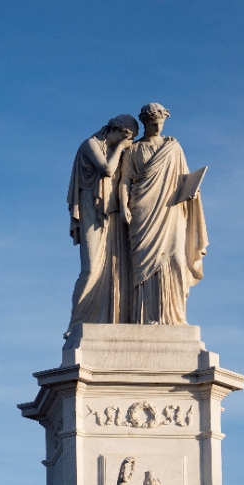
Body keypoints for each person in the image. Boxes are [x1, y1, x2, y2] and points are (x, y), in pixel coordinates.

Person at [118, 103, 208, 325]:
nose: (158, 127)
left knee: (176, 260)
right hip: (142, 211)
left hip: (171, 211)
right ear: (145, 123)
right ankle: (144, 317)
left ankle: (174, 318)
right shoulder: (133, 150)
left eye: (160, 123)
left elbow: (184, 178)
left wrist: (193, 191)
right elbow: (124, 181)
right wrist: (123, 206)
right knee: (143, 266)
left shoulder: (173, 147)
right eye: (153, 124)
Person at [66, 115, 139, 332]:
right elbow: (107, 169)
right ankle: (77, 322)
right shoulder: (90, 144)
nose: (129, 143)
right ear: (116, 130)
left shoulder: (119, 152)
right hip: (92, 210)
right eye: (128, 137)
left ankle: (111, 319)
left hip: (113, 213)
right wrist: (121, 149)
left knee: (115, 270)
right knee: (91, 268)